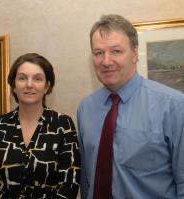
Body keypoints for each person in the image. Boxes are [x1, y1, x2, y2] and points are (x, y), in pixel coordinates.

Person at [77, 14, 184, 199]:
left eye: (116, 51)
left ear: (134, 53)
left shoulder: (174, 106)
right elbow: (87, 178)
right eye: (98, 53)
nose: (106, 61)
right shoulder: (86, 109)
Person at [0, 53, 80, 199]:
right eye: (22, 78)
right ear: (13, 85)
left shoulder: (62, 125)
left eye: (37, 78)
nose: (29, 84)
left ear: (47, 86)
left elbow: (70, 182)